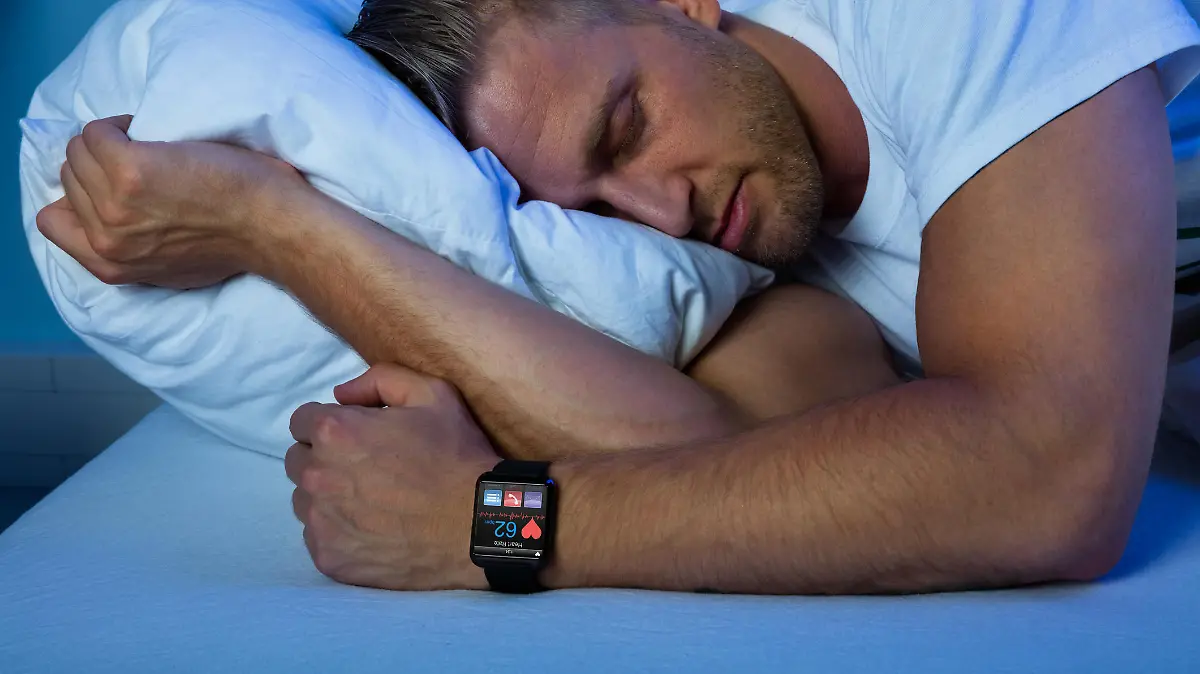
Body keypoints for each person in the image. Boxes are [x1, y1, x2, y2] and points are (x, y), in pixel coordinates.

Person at [36, 0, 1199, 594]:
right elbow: (731, 460)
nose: (658, 212)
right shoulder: (746, 251)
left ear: (682, 3)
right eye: (587, 210)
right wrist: (284, 226)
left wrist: (488, 524)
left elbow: (1049, 476)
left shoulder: (948, 17)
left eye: (626, 126)